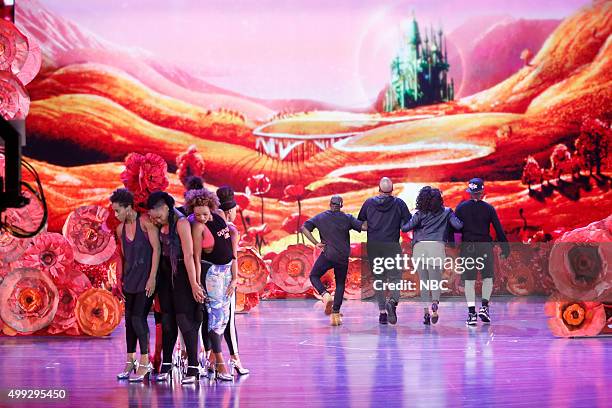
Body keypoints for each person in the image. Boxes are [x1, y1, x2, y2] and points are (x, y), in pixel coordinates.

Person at [147, 191, 205, 385]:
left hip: (181, 273)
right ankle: (166, 364)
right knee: (167, 320)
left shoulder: (181, 223)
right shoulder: (158, 223)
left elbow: (189, 256)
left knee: (184, 318)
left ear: (165, 207)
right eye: (152, 216)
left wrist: (194, 284)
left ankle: (194, 367)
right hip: (165, 274)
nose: (154, 219)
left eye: (157, 215)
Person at [111, 189, 160, 382]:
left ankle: (145, 360)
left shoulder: (146, 223)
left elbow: (157, 250)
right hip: (130, 280)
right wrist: (119, 279)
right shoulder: (120, 229)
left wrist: (153, 277)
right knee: (129, 320)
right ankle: (130, 360)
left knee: (139, 318)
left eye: (117, 211)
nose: (115, 215)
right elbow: (123, 257)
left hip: (147, 280)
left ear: (128, 207)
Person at [189, 188, 236, 382]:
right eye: (197, 214)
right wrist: (197, 282)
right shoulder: (198, 227)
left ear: (212, 207)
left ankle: (211, 359)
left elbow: (230, 248)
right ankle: (219, 361)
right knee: (216, 317)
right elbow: (196, 257)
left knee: (224, 318)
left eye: (205, 213)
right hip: (212, 274)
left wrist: (234, 277)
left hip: (226, 273)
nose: (202, 217)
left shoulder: (218, 217)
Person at [401, 187, 462, 325]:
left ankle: (426, 314)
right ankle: (435, 307)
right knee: (435, 281)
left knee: (423, 282)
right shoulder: (447, 212)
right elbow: (458, 226)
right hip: (436, 247)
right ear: (439, 200)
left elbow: (405, 228)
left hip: (420, 248)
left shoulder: (419, 213)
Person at [302, 195, 366, 326]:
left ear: (330, 204)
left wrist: (316, 243)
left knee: (314, 275)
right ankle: (335, 314)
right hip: (342, 257)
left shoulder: (320, 217)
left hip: (328, 255)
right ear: (341, 206)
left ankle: (325, 295)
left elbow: (304, 228)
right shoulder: (347, 218)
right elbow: (364, 227)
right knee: (340, 283)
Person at [455, 178, 510, 326]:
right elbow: (498, 230)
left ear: (469, 192)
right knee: (487, 278)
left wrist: (454, 245)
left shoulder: (460, 208)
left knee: (469, 281)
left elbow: (455, 229)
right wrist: (505, 248)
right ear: (482, 192)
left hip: (468, 248)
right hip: (485, 246)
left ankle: (472, 314)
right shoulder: (489, 209)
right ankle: (484, 307)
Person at [358, 177, 411, 325]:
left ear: (379, 189)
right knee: (395, 278)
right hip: (392, 245)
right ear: (392, 189)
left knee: (379, 279)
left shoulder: (369, 203)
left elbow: (361, 222)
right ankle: (392, 302)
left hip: (374, 246)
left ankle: (382, 313)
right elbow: (408, 222)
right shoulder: (399, 203)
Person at [215, 186, 249, 374]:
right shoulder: (231, 229)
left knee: (212, 320)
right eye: (236, 210)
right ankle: (235, 359)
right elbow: (232, 257)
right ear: (229, 211)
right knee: (228, 322)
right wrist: (235, 279)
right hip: (226, 279)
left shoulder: (209, 225)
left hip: (210, 277)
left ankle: (212, 359)